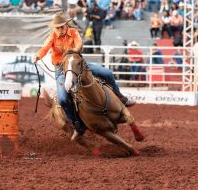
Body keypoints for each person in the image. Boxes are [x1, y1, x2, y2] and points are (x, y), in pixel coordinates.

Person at [32, 12, 136, 140]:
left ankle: (121, 98)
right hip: (61, 69)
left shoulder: (74, 32)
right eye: (57, 27)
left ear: (67, 24)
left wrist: (72, 53)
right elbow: (44, 47)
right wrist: (37, 56)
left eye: (62, 26)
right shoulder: (52, 36)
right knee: (63, 99)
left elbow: (79, 44)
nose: (60, 29)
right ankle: (76, 125)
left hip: (77, 64)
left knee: (107, 73)